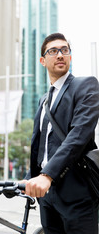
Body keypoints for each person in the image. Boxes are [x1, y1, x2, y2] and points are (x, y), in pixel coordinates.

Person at [21, 33, 99, 234]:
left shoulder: (86, 85)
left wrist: (47, 175)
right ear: (42, 60)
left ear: (70, 56)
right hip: (47, 196)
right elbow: (41, 146)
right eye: (53, 51)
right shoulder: (43, 100)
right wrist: (30, 177)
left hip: (77, 191)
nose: (60, 55)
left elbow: (78, 136)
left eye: (65, 50)